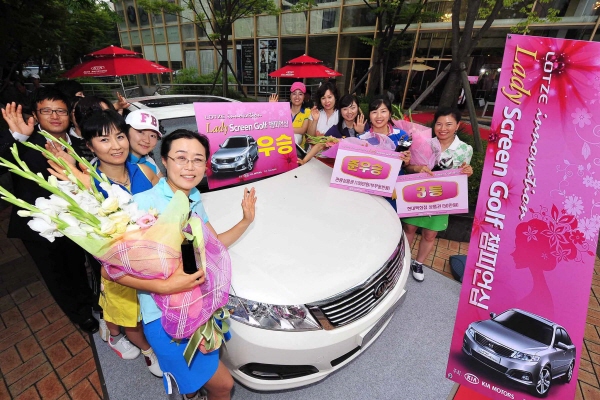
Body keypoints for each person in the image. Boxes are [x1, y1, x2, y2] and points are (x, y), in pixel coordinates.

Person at [132, 129, 256, 400]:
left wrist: (245, 221)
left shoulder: (194, 197)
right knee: (223, 385)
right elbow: (111, 271)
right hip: (163, 316)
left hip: (200, 303)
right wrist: (167, 286)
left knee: (199, 379)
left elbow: (214, 245)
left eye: (198, 159)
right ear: (164, 161)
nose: (190, 166)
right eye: (181, 157)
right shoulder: (143, 204)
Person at [71, 109, 162, 375]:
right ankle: (147, 352)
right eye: (104, 139)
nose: (116, 146)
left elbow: (166, 205)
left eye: (120, 136)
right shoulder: (89, 185)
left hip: (156, 258)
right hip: (119, 267)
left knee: (154, 309)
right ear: (90, 146)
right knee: (131, 317)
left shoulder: (144, 170)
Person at [0, 88, 98, 333]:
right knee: (57, 274)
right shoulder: (24, 143)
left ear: (70, 114)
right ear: (35, 115)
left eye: (60, 111)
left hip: (77, 220)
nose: (54, 116)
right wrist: (16, 137)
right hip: (40, 226)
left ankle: (89, 300)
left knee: (77, 266)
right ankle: (80, 314)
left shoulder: (80, 144)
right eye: (46, 111)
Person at [402, 107, 473, 282]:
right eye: (439, 124)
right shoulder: (424, 143)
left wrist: (467, 172)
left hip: (442, 198)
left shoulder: (465, 149)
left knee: (430, 234)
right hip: (418, 194)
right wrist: (417, 168)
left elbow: (461, 176)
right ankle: (403, 260)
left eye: (448, 124)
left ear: (457, 126)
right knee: (409, 228)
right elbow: (408, 167)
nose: (443, 128)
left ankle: (418, 263)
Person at [297, 94, 366, 165]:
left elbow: (370, 148)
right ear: (340, 111)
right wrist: (304, 161)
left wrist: (361, 133)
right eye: (345, 109)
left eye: (353, 108)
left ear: (358, 108)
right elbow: (320, 145)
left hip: (363, 165)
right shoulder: (336, 129)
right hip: (344, 165)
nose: (349, 112)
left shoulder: (365, 126)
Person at [268, 82, 310, 146]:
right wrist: (272, 108)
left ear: (304, 96)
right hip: (279, 145)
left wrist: (283, 128)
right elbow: (272, 124)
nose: (297, 97)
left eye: (300, 94)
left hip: (298, 149)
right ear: (290, 96)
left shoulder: (307, 111)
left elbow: (302, 130)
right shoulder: (282, 110)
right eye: (294, 94)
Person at [125, 109, 162, 175]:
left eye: (152, 136)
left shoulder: (149, 161)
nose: (147, 140)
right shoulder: (116, 163)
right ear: (125, 131)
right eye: (141, 132)